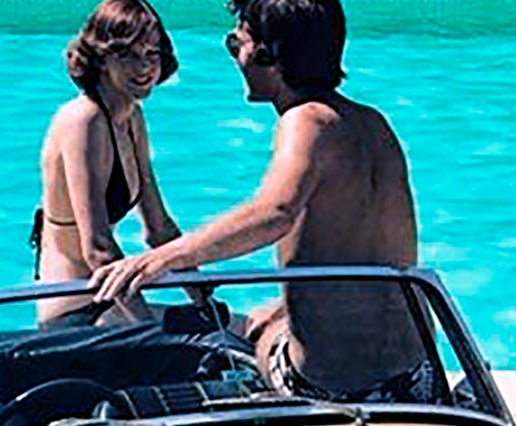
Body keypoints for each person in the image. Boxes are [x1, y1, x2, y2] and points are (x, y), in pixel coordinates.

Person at [89, 0, 436, 402]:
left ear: (267, 55)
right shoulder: (373, 123)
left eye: (235, 43)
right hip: (417, 377)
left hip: (339, 388)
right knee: (265, 316)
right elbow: (361, 253)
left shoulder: (306, 121)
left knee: (242, 337)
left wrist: (158, 260)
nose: (235, 57)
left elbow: (274, 212)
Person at [32, 0, 186, 325]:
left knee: (237, 327)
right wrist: (148, 327)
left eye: (152, 54)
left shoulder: (131, 117)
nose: (143, 67)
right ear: (101, 58)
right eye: (128, 54)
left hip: (110, 307)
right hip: (74, 315)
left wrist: (204, 297)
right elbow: (97, 248)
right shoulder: (83, 120)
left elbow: (159, 228)